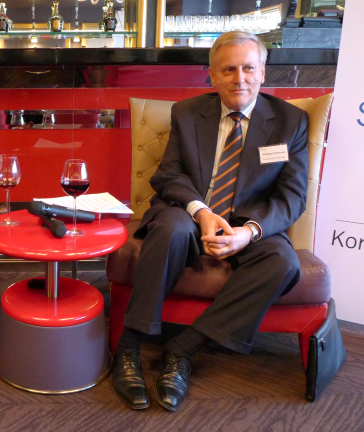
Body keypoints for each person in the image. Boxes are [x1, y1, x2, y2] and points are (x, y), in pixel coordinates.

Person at [112, 31, 309, 412]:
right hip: (188, 212)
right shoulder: (187, 113)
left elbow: (292, 197)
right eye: (229, 70)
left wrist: (248, 232)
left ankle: (182, 350)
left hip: (250, 223)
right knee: (171, 228)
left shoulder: (290, 122)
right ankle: (129, 346)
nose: (240, 79)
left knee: (282, 262)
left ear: (263, 72)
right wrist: (201, 212)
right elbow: (168, 176)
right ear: (212, 76)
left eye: (249, 68)